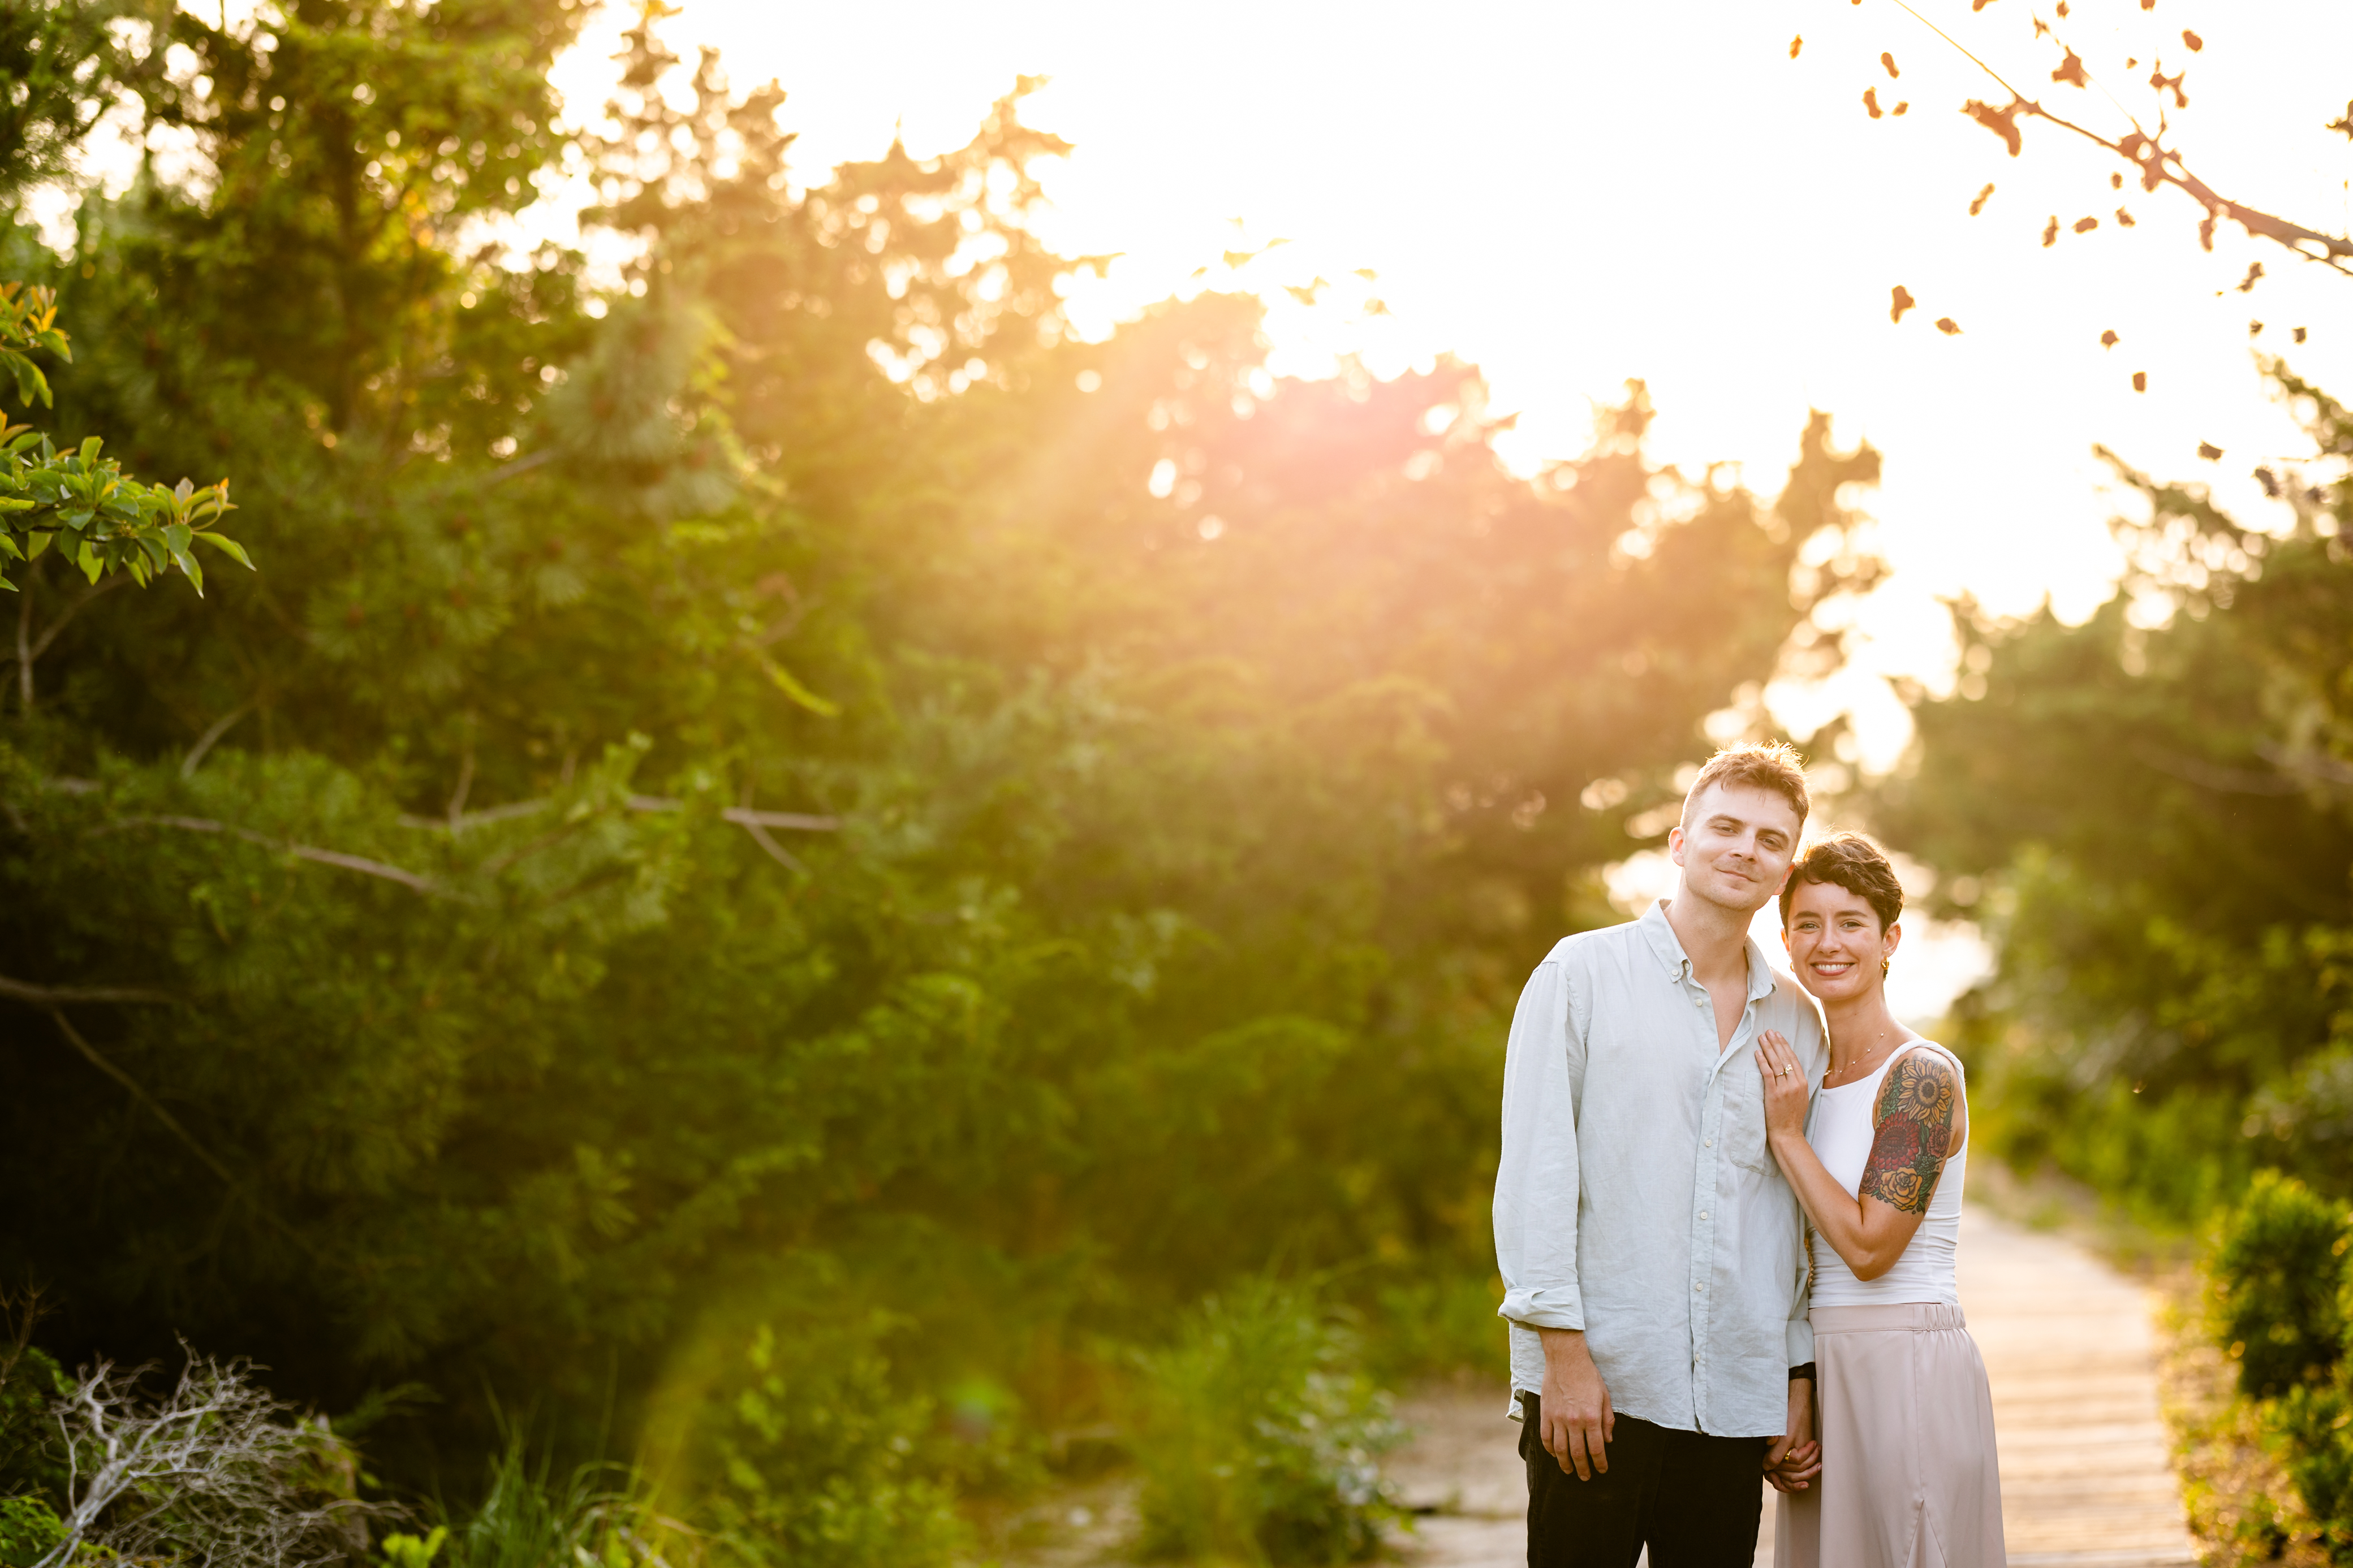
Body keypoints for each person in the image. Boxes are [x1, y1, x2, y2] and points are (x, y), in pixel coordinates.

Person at [1494, 741, 1830, 1568]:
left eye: (1770, 838)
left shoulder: (1796, 1019)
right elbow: (1537, 1175)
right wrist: (1561, 1362)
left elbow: (1786, 1218)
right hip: (1601, 1385)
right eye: (1726, 826)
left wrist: (1794, 1379)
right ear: (1680, 843)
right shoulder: (1581, 972)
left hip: (1733, 1397)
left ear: (1785, 868)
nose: (1745, 848)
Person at [1752, 832, 2005, 1568]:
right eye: (1808, 923)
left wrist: (1786, 1137)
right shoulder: (1808, 1081)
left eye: (1851, 922)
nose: (1828, 942)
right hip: (1828, 1375)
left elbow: (1867, 1248)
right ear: (1787, 939)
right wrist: (1796, 1385)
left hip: (1909, 1370)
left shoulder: (1920, 1076)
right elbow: (1795, 1255)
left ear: (1890, 937)